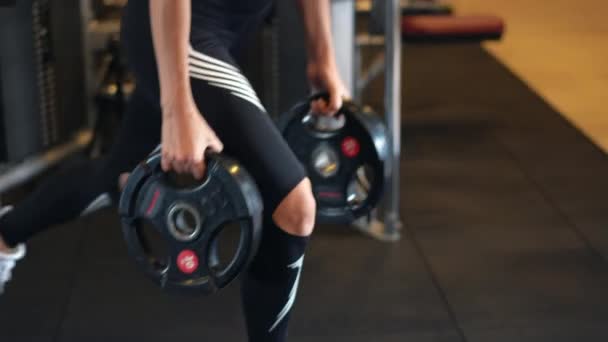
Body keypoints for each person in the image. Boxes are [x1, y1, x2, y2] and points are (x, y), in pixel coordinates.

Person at [0, 0, 348, 341]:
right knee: (292, 206)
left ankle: (3, 236)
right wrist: (177, 109)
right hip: (182, 30)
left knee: (119, 179)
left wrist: (322, 58)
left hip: (227, 29)